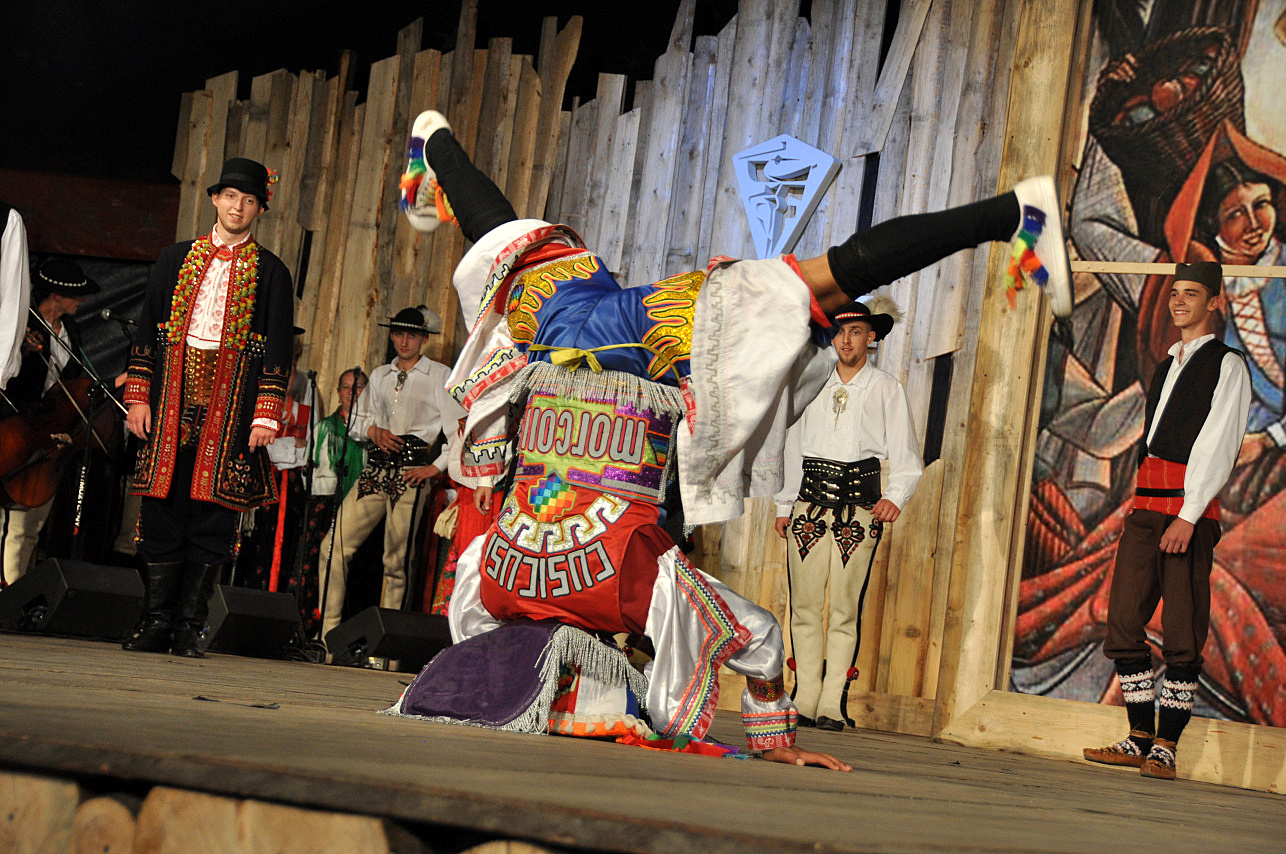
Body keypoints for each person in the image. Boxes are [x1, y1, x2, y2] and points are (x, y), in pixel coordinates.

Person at [399, 110, 1072, 770]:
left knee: (816, 285)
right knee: (509, 240)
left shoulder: (618, 592)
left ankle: (1012, 215)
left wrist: (775, 739)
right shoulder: (492, 581)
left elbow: (759, 642)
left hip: (634, 344)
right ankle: (438, 143)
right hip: (559, 329)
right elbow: (468, 630)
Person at [1083, 261, 1250, 780]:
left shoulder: (1226, 365)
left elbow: (1218, 445)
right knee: (1123, 622)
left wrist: (1189, 513)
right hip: (1146, 507)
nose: (1178, 301)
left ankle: (1166, 747)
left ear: (1214, 302)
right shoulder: (1166, 364)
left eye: (1191, 293)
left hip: (1185, 511)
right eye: (1175, 292)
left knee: (1181, 628)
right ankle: (1138, 737)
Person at [122, 157, 294, 657]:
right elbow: (147, 330)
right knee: (161, 511)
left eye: (249, 200)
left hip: (232, 408)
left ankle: (188, 628)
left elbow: (278, 347)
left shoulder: (271, 271)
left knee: (214, 515)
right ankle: (155, 622)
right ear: (215, 199)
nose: (238, 207)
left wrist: (265, 413)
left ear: (259, 210)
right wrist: (138, 396)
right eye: (231, 197)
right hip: (169, 403)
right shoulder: (174, 258)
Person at [772, 299, 922, 732]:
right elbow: (792, 445)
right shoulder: (812, 383)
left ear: (871, 337)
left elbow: (906, 453)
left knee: (844, 607)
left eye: (855, 331)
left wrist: (895, 496)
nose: (846, 340)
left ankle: (832, 701)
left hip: (860, 508)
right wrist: (784, 503)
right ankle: (804, 695)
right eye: (839, 332)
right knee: (803, 604)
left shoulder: (886, 388)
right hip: (809, 504)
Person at [317, 307, 461, 647]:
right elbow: (356, 421)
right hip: (375, 471)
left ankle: (388, 649)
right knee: (332, 547)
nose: (404, 341)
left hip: (411, 474)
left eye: (411, 335)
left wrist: (435, 467)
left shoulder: (439, 375)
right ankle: (327, 638)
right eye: (398, 334)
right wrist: (372, 430)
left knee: (396, 562)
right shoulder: (380, 375)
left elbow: (458, 428)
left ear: (423, 339)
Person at [1, 258, 100, 583]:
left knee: (34, 525)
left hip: (52, 430)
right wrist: (22, 351)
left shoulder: (72, 331)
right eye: (75, 294)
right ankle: (8, 589)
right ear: (56, 295)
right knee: (15, 520)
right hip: (19, 427)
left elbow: (72, 380)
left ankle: (21, 588)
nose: (81, 300)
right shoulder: (22, 322)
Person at [301, 367, 367, 637]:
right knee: (321, 563)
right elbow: (309, 470)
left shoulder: (372, 431)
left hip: (360, 504)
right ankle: (315, 627)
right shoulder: (324, 428)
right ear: (338, 393)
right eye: (346, 387)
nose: (352, 393)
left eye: (358, 387)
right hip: (326, 504)